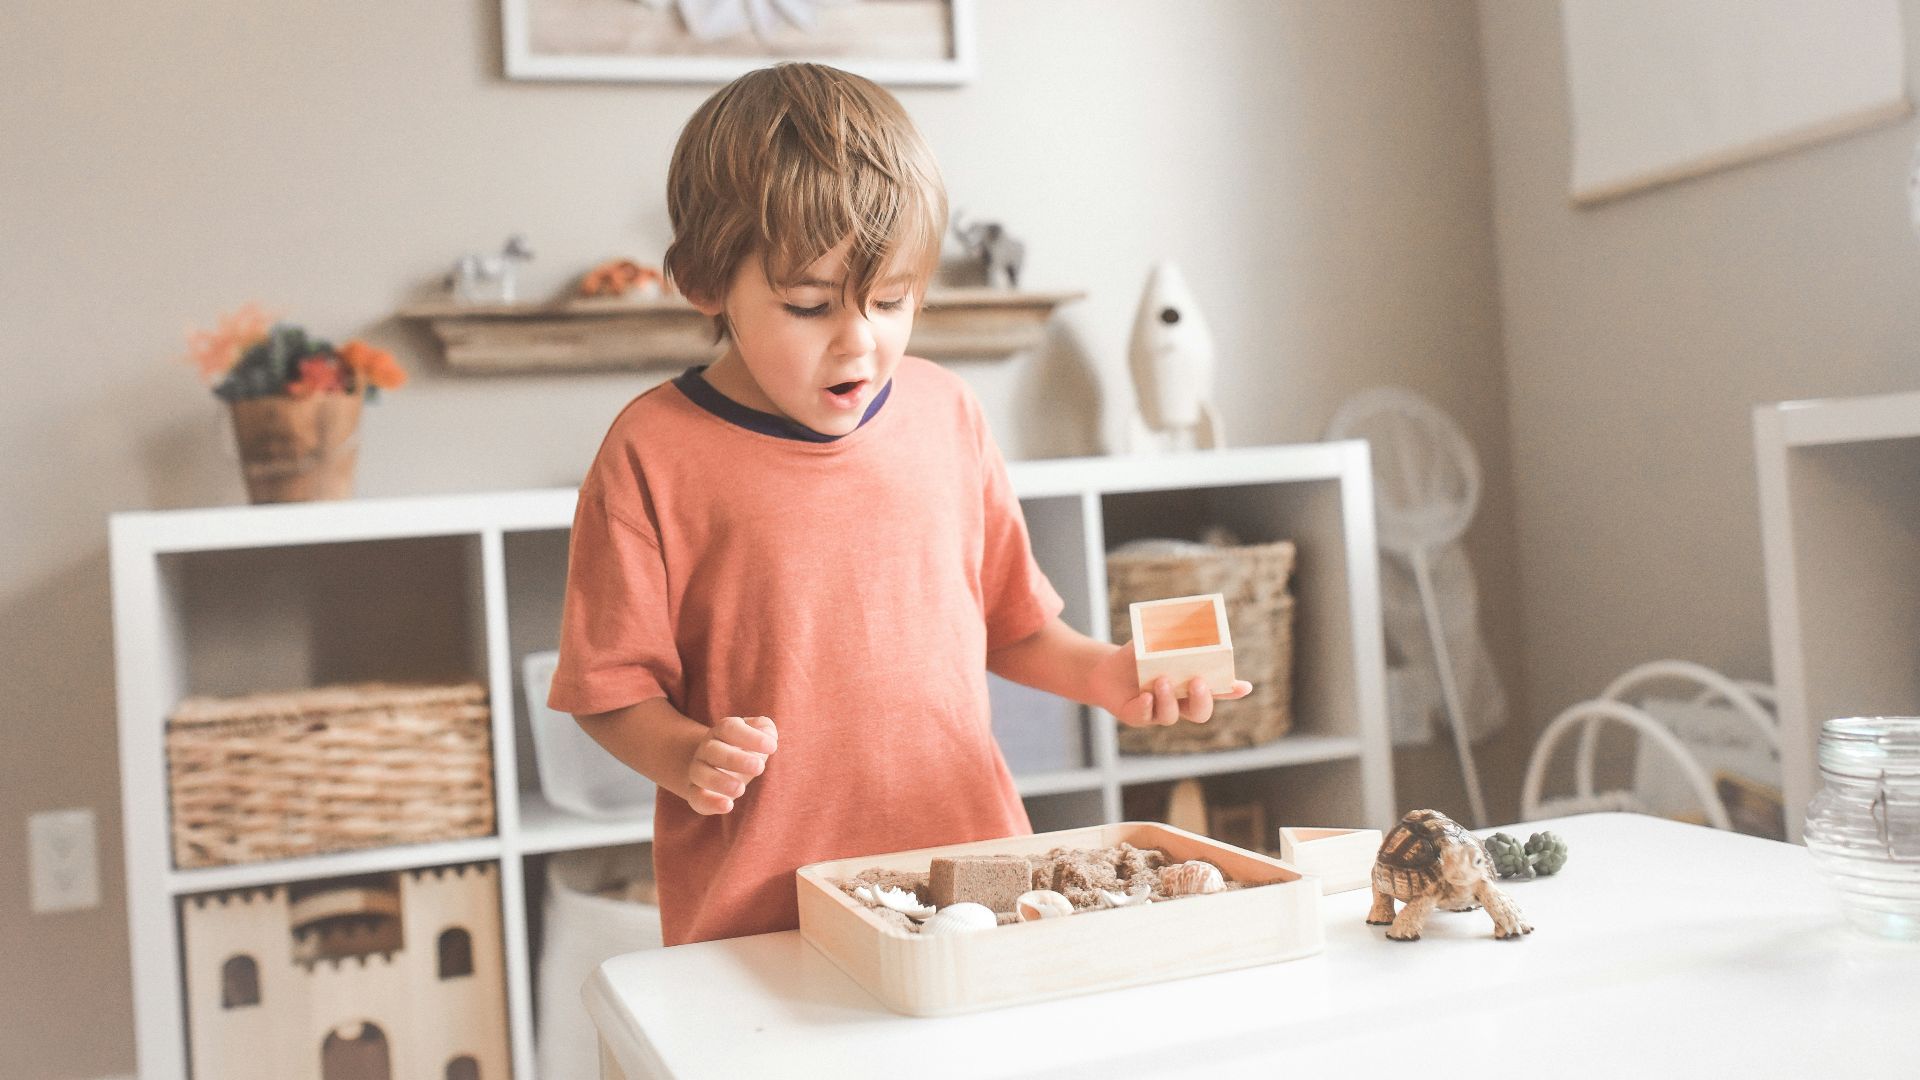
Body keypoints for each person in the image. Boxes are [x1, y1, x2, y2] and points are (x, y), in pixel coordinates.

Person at [548, 62, 1251, 946]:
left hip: (974, 880)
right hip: (764, 911)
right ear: (704, 282)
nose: (859, 342)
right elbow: (608, 689)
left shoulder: (947, 412)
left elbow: (1012, 625)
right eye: (808, 306)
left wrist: (1105, 676)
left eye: (891, 301)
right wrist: (685, 755)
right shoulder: (651, 451)